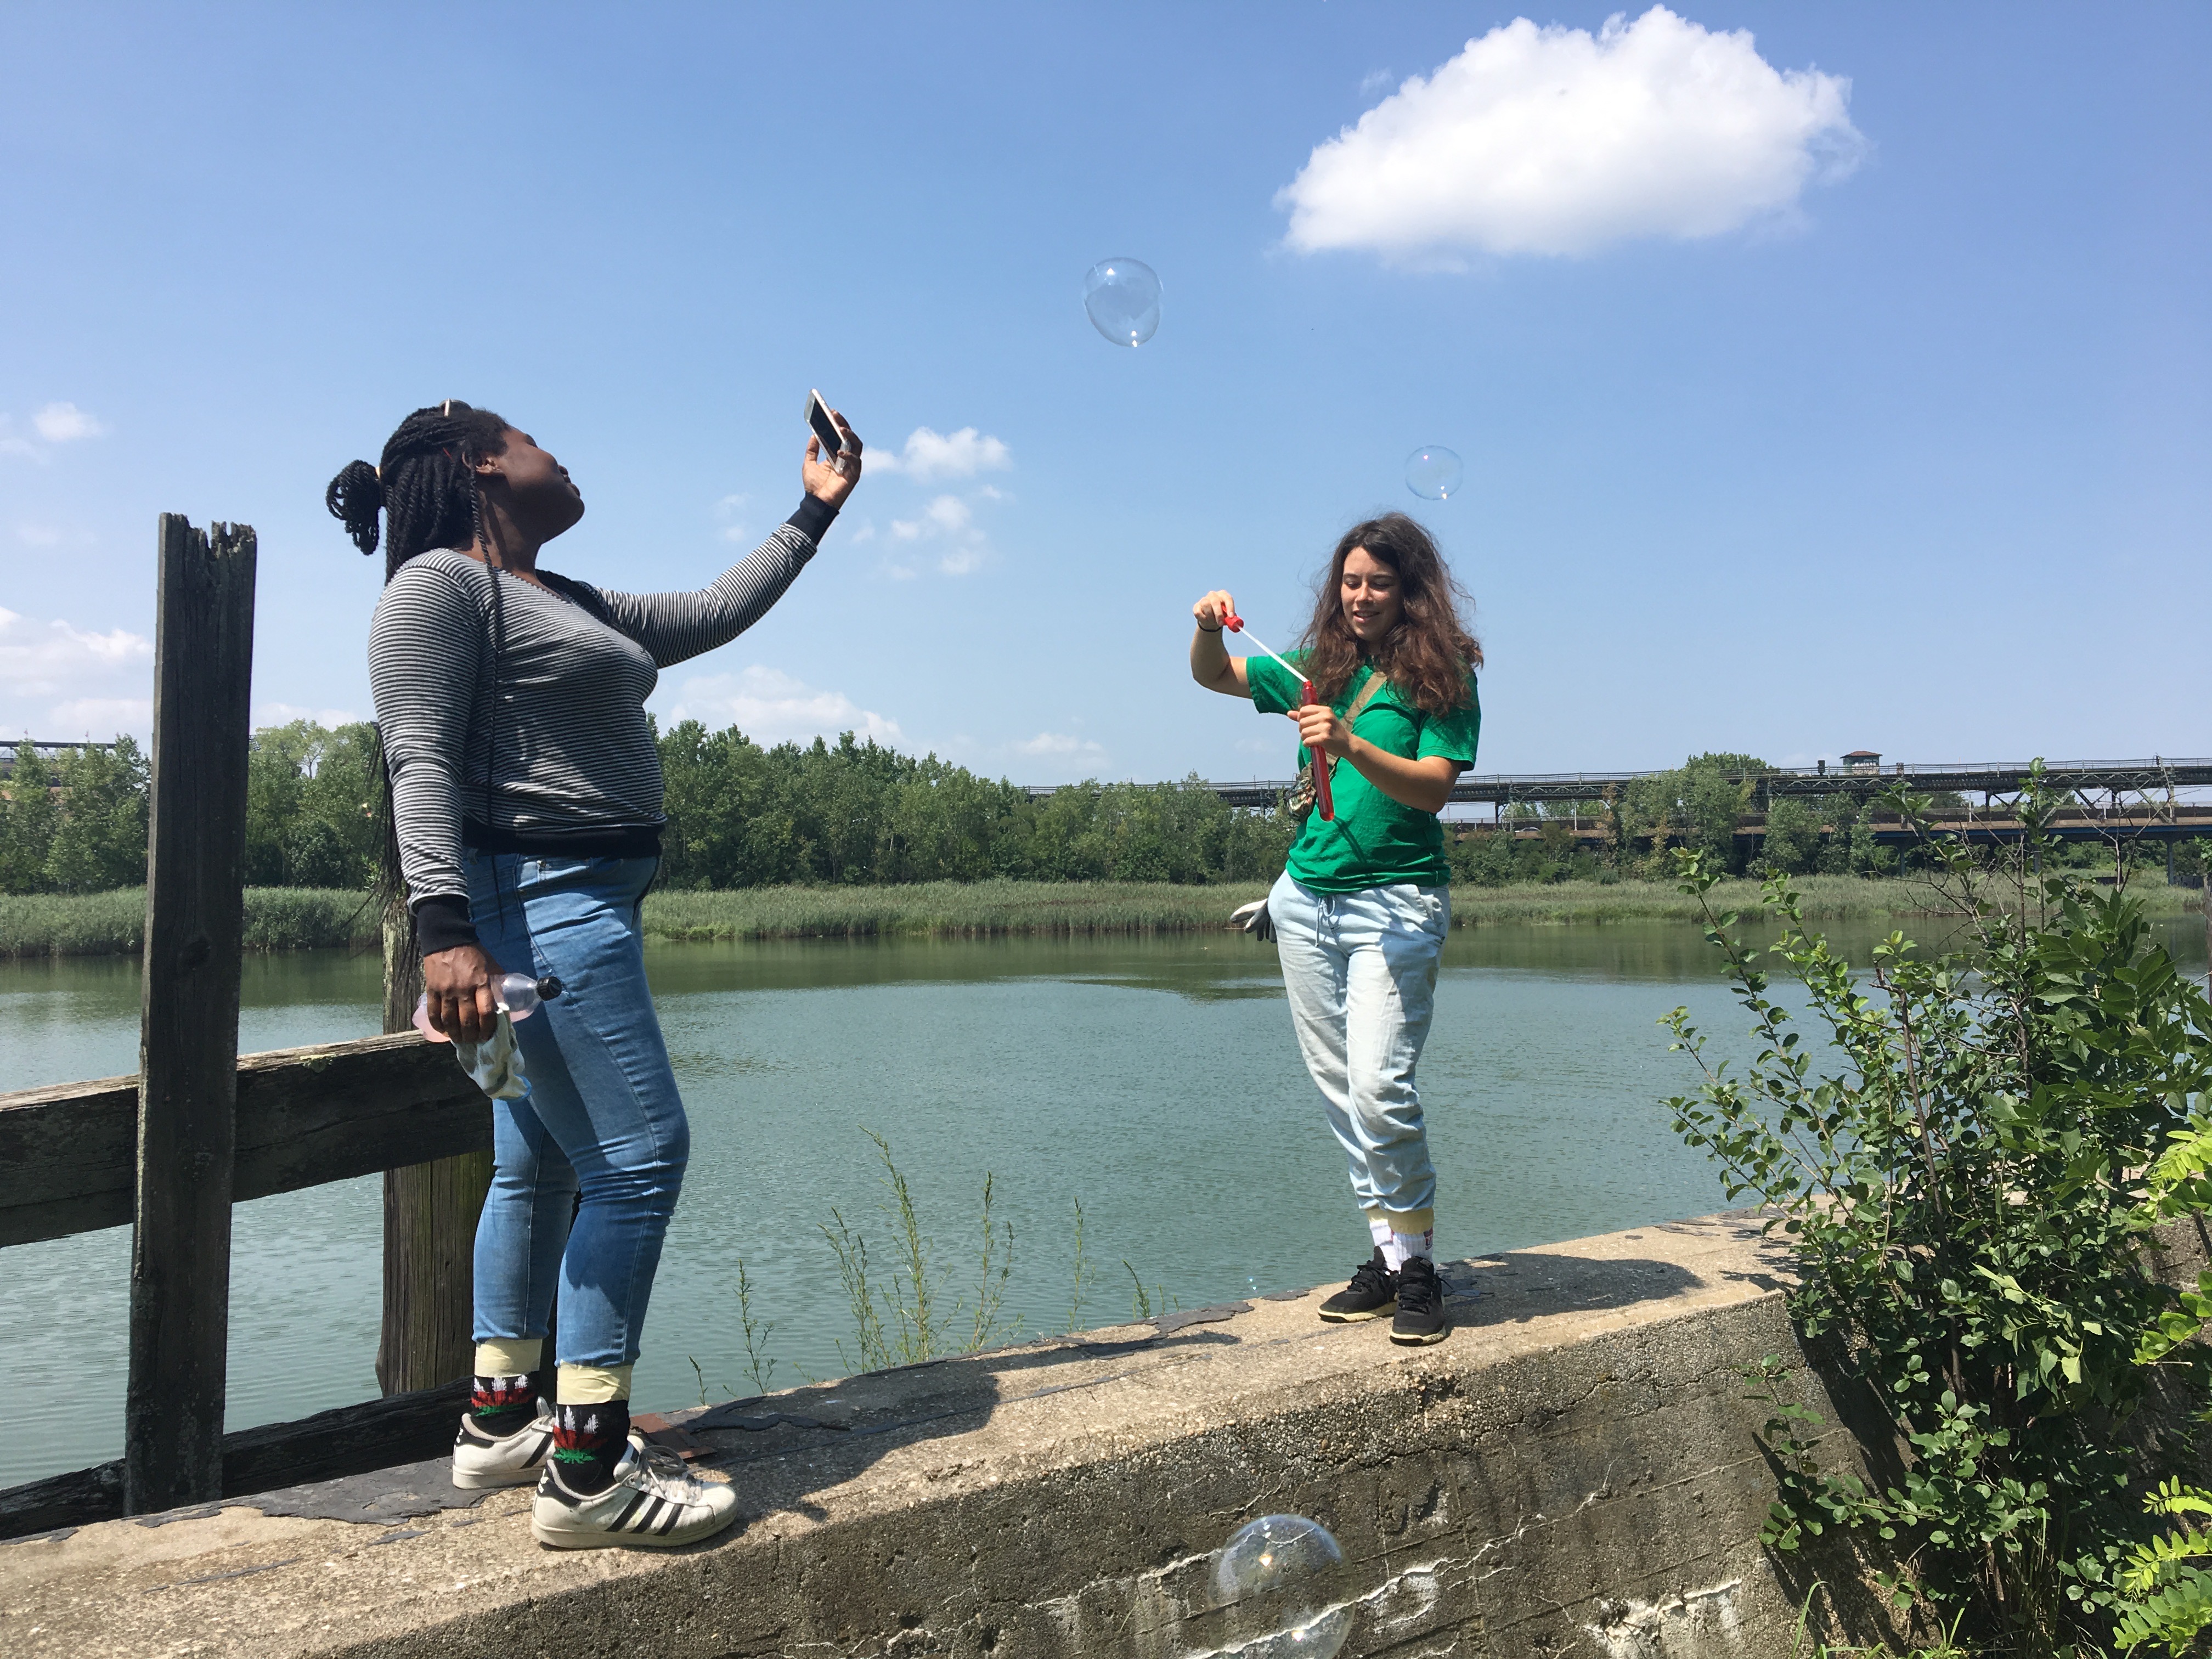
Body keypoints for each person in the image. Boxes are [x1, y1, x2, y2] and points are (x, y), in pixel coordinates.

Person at [325, 397, 861, 1548]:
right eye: (528, 437)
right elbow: (415, 762)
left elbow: (712, 611)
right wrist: (442, 932)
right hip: (535, 906)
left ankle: (504, 1419)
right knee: (639, 1159)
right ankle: (589, 1473)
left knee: (542, 1165)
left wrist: (812, 515)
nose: (554, 452)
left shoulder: (553, 597)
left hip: (574, 902)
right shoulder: (439, 587)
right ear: (479, 461)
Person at [1189, 512, 1481, 1346]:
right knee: (1342, 1095)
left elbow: (1431, 790)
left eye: (1379, 583)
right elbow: (1214, 677)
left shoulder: (1444, 674)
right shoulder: (1317, 668)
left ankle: (1422, 1269)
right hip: (1308, 902)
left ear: (1411, 590)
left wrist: (1348, 742)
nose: (1360, 596)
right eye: (1351, 581)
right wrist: (1205, 628)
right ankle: (1388, 1261)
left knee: (1381, 1086)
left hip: (1397, 904)